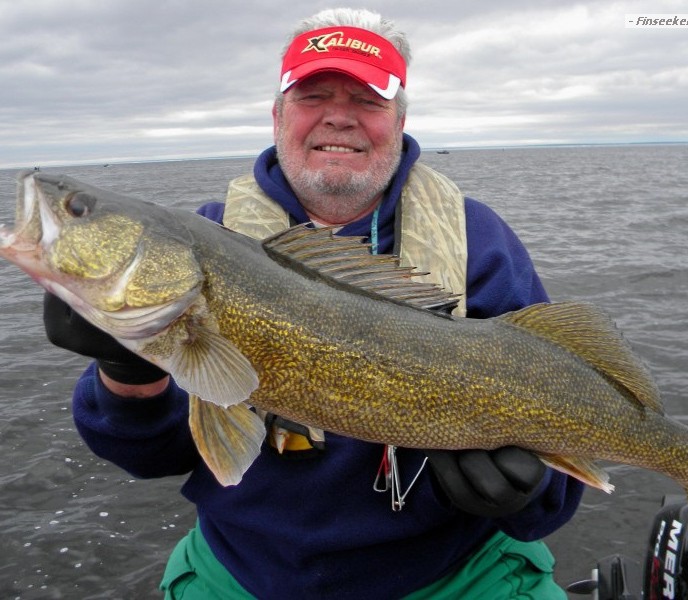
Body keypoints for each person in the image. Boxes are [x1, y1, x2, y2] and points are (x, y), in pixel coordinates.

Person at [43, 8, 584, 599]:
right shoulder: (200, 241)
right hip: (243, 575)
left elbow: (558, 478)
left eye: (368, 100)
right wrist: (127, 375)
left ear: (399, 120)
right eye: (313, 95)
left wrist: (529, 491)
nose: (338, 117)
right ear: (278, 115)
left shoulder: (479, 240)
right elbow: (149, 456)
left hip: (458, 575)